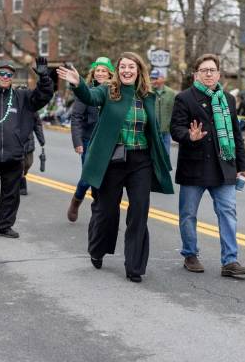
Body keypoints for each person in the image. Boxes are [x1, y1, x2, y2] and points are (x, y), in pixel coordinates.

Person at [57, 52, 174, 283]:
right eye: (123, 67)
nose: (127, 71)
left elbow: (155, 128)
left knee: (139, 211)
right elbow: (89, 97)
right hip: (113, 160)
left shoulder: (147, 95)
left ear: (139, 70)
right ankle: (97, 249)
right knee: (106, 211)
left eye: (131, 67)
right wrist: (78, 83)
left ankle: (135, 266)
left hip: (141, 161)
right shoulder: (109, 91)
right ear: (118, 71)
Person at [170, 53, 245, 277]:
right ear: (196, 74)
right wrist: (189, 135)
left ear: (218, 74)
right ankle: (190, 254)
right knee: (188, 214)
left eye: (212, 70)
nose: (208, 74)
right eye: (204, 70)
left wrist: (243, 166)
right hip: (194, 166)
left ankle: (230, 261)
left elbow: (235, 135)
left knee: (228, 212)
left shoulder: (228, 99)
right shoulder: (184, 98)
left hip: (224, 165)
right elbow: (175, 129)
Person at [0, 59, 53, 238]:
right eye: (2, 73)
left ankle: (4, 226)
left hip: (14, 155)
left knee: (11, 194)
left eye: (9, 75)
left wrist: (44, 78)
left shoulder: (21, 97)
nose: (6, 77)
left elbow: (43, 96)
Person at [67, 56, 113, 222]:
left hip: (109, 142)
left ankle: (99, 210)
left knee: (105, 179)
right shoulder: (85, 92)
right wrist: (77, 142)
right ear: (93, 73)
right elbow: (76, 117)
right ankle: (76, 200)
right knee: (88, 178)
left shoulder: (115, 92)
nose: (100, 73)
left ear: (110, 74)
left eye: (104, 71)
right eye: (97, 71)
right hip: (89, 141)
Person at [18, 112, 45, 195]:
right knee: (19, 165)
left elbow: (37, 124)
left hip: (29, 141)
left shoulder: (32, 107)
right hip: (16, 139)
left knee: (28, 163)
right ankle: (21, 184)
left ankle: (20, 176)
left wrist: (41, 139)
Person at [150, 68, 177, 155]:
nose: (153, 81)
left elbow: (175, 112)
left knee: (165, 156)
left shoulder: (171, 93)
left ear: (162, 79)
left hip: (166, 132)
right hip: (152, 132)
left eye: (156, 78)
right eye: (152, 78)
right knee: (153, 158)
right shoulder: (148, 92)